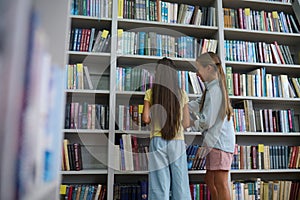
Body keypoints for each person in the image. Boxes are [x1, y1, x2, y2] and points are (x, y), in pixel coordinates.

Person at [142, 57, 191, 200]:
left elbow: (145, 118)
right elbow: (186, 123)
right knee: (180, 182)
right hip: (177, 142)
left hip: (157, 141)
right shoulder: (182, 94)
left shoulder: (151, 93)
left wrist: (154, 119)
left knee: (159, 183)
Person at [191, 52, 235, 200]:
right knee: (210, 180)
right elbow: (199, 103)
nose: (197, 73)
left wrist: (192, 123)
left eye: (199, 69)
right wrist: (182, 105)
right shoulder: (211, 88)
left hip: (219, 143)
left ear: (209, 68)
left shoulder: (215, 90)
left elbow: (207, 121)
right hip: (215, 143)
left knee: (220, 183)